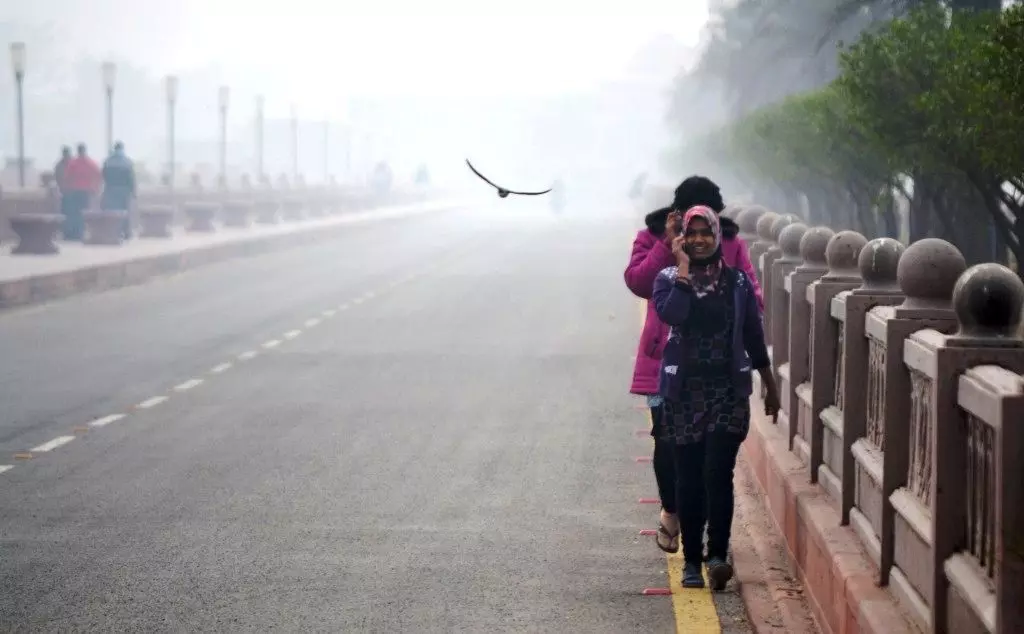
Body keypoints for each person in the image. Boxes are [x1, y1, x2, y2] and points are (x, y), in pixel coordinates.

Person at [624, 175, 764, 555]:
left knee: (708, 460)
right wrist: (668, 249)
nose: (701, 236)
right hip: (663, 362)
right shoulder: (651, 238)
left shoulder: (731, 242)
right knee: (667, 448)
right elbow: (638, 282)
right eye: (691, 223)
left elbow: (752, 293)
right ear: (678, 215)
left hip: (714, 368)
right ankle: (672, 508)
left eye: (709, 222)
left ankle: (702, 541)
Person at [652, 206, 780, 591]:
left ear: (717, 235)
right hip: (683, 393)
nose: (699, 239)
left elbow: (752, 333)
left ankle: (718, 555)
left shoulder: (737, 283)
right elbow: (673, 314)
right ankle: (692, 561)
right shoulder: (668, 279)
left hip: (727, 391)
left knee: (717, 472)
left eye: (705, 232)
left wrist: (768, 378)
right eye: (692, 234)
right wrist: (684, 269)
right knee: (689, 478)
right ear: (683, 239)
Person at [62, 144, 102, 240]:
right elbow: (98, 176)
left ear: (78, 151)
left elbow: (67, 177)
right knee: (83, 213)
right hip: (86, 191)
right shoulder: (91, 163)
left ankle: (74, 233)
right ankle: (81, 233)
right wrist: (95, 189)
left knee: (74, 213)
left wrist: (67, 188)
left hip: (75, 191)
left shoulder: (73, 163)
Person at [101, 141, 137, 239]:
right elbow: (131, 179)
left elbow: (104, 176)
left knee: (111, 211)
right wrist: (133, 192)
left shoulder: (108, 161)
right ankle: (125, 232)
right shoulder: (127, 161)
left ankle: (111, 232)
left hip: (111, 189)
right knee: (124, 211)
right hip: (124, 190)